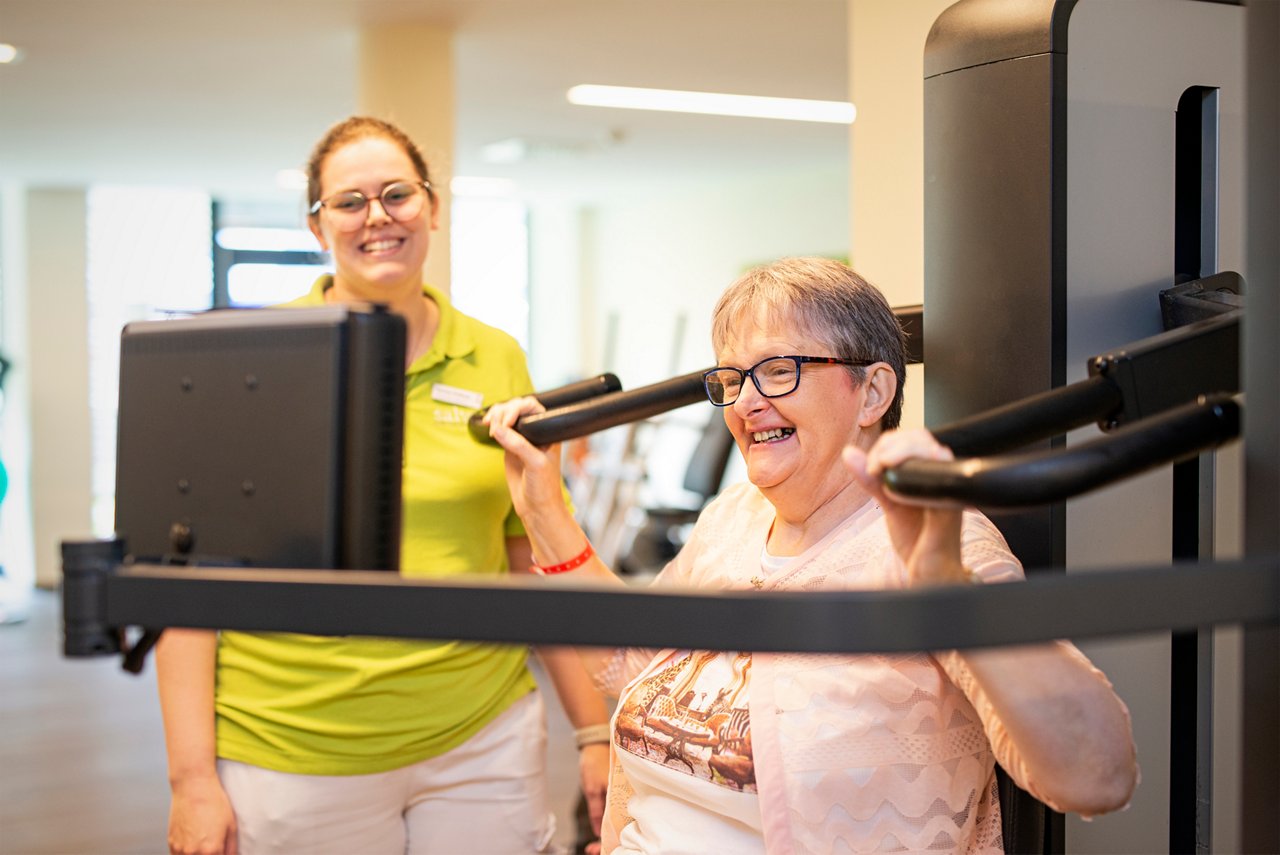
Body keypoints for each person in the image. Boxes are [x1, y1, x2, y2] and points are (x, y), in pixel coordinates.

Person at [486, 257, 1139, 853]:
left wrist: (948, 588)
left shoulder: (939, 542)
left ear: (873, 393)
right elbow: (633, 660)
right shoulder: (731, 519)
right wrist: (542, 509)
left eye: (778, 370)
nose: (745, 402)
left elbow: (1097, 776)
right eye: (733, 377)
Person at [156, 116, 610, 855]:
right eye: (350, 201)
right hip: (295, 745)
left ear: (433, 208)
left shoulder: (493, 356)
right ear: (316, 224)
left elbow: (529, 556)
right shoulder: (253, 358)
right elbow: (186, 585)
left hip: (481, 737)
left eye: (398, 194)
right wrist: (190, 780)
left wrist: (593, 729)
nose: (378, 216)